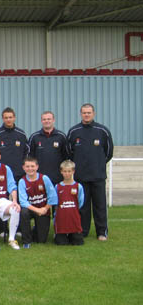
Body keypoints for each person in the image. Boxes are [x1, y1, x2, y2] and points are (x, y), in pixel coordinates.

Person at [67, 103, 113, 241]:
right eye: (84, 113)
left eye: (89, 112)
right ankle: (83, 230)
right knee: (83, 206)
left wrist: (98, 164)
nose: (86, 115)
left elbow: (109, 152)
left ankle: (102, 232)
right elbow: (69, 152)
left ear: (93, 113)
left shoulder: (102, 131)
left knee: (100, 206)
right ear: (80, 114)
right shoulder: (74, 131)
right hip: (81, 176)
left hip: (98, 176)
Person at [18, 157, 58, 248]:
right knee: (23, 212)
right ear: (23, 167)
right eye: (27, 166)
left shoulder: (44, 178)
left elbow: (53, 197)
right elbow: (23, 202)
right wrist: (37, 210)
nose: (30, 169)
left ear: (37, 167)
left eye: (32, 166)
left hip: (43, 209)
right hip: (31, 209)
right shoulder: (22, 181)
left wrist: (45, 208)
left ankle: (35, 229)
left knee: (41, 240)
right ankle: (26, 241)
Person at [28, 111, 68, 185]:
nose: (47, 121)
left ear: (53, 120)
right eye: (44, 119)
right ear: (41, 121)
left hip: (57, 178)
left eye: (49, 119)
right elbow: (30, 158)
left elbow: (66, 157)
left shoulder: (61, 136)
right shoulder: (34, 137)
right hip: (39, 178)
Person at [0, 107, 28, 182]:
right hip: (1, 173)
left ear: (14, 118)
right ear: (3, 119)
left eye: (10, 117)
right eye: (6, 118)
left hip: (19, 174)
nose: (8, 120)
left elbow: (27, 152)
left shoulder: (21, 134)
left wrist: (23, 167)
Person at [54, 160, 85, 246]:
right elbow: (56, 204)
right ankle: (59, 234)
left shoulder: (78, 186)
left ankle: (73, 234)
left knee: (77, 242)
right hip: (61, 220)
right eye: (65, 171)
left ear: (73, 171)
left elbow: (80, 202)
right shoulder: (58, 186)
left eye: (69, 171)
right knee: (61, 243)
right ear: (61, 172)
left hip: (74, 219)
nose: (67, 174)